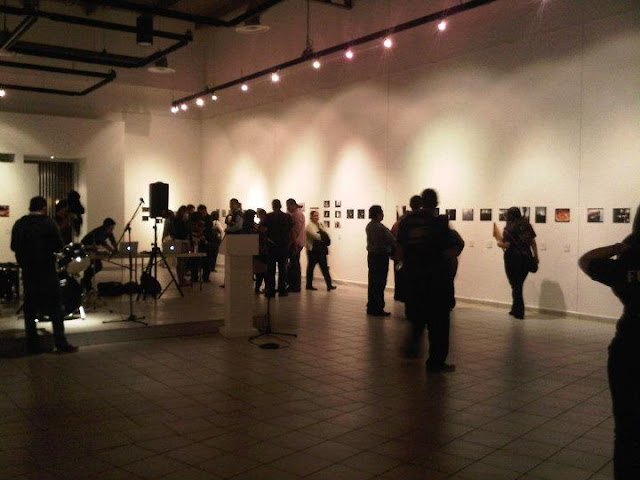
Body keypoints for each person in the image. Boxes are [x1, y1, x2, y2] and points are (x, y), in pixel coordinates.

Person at [579, 206, 640, 480]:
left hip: (629, 346)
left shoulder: (629, 260)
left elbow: (586, 260)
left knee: (626, 429)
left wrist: (619, 247)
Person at [398, 188, 458, 372]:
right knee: (439, 324)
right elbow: (452, 246)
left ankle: (412, 346)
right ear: (436, 203)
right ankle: (435, 362)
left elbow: (399, 249)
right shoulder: (438, 223)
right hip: (436, 281)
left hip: (414, 279)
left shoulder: (406, 222)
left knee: (417, 317)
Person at [10, 196, 78, 354]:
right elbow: (58, 246)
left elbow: (13, 246)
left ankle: (32, 345)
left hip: (28, 272)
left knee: (30, 309)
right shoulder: (48, 223)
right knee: (55, 308)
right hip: (47, 271)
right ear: (43, 207)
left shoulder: (19, 223)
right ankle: (60, 343)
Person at [494, 207, 539, 319]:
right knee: (518, 284)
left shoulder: (509, 228)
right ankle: (515, 309)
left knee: (515, 284)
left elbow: (507, 245)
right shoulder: (527, 225)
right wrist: (536, 256)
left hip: (513, 259)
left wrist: (499, 244)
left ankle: (519, 311)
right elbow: (533, 242)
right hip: (526, 257)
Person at [365, 205, 396, 316]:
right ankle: (378, 307)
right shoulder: (380, 227)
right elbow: (391, 239)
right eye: (381, 212)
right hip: (381, 257)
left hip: (372, 256)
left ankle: (371, 306)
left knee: (373, 282)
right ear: (378, 214)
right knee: (380, 282)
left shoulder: (369, 226)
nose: (383, 214)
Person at [391, 195, 423, 302]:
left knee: (399, 277)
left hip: (400, 255)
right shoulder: (416, 222)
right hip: (408, 256)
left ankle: (399, 295)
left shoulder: (398, 224)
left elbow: (393, 238)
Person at [263, 199, 292, 297]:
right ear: (281, 205)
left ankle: (271, 290)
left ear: (273, 206)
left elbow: (263, 228)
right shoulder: (287, 217)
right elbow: (290, 231)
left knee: (271, 269)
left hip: (272, 245)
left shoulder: (269, 216)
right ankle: (282, 290)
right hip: (283, 246)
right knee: (282, 269)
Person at [81, 217, 117, 292]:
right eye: (111, 228)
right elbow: (102, 242)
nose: (112, 230)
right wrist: (111, 249)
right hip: (87, 247)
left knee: (96, 266)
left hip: (93, 249)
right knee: (95, 266)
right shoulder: (100, 231)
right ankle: (86, 283)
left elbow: (112, 240)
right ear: (106, 227)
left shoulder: (108, 232)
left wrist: (116, 250)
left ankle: (86, 282)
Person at [305, 210, 336, 291]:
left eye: (317, 215)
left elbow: (325, 234)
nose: (316, 217)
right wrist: (323, 235)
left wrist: (323, 235)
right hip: (313, 250)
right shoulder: (309, 226)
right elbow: (316, 236)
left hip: (321, 250)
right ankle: (309, 285)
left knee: (324, 267)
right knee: (311, 268)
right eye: (315, 216)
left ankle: (329, 285)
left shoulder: (320, 224)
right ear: (311, 217)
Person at [286, 198, 305, 293]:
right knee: (294, 264)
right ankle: (294, 285)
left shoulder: (296, 215)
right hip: (298, 242)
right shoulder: (299, 214)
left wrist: (291, 243)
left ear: (292, 205)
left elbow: (295, 231)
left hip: (296, 243)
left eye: (288, 206)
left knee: (294, 265)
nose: (288, 208)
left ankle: (295, 286)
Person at [254, 208, 268, 293]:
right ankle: (264, 287)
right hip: (263, 249)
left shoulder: (263, 223)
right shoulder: (263, 223)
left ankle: (259, 287)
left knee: (261, 270)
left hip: (262, 249)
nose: (257, 216)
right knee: (263, 270)